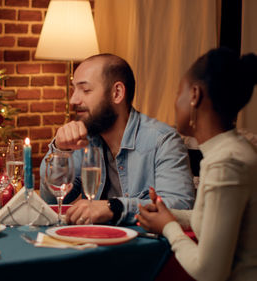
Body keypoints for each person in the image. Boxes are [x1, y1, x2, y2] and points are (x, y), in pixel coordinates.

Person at [137, 48, 257, 280]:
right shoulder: (230, 151)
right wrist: (168, 214)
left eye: (177, 92)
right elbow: (215, 219)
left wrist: (168, 227)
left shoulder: (226, 163)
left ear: (194, 95)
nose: (175, 102)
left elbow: (209, 272)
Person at [40, 53, 195, 225]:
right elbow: (52, 200)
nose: (73, 100)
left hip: (143, 249)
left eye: (85, 90)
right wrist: (61, 151)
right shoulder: (86, 139)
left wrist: (114, 208)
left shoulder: (163, 141)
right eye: (74, 90)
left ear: (117, 93)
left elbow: (180, 207)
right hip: (92, 243)